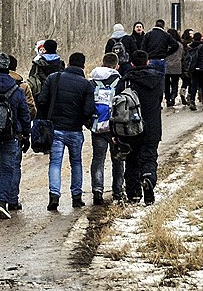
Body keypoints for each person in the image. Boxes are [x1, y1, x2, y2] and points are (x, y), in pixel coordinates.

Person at [37, 52, 95, 210]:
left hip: (55, 129)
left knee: (55, 163)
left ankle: (54, 196)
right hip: (75, 130)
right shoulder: (86, 85)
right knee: (76, 163)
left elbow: (42, 100)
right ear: (83, 66)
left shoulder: (53, 78)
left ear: (68, 63)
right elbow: (88, 110)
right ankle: (76, 197)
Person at [0, 53, 31, 219]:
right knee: (8, 169)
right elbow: (25, 114)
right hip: (11, 135)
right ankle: (2, 202)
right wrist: (26, 134)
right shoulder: (16, 90)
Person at [115, 50, 163, 205]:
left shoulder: (125, 81)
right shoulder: (158, 79)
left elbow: (117, 105)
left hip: (131, 127)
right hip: (153, 127)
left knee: (132, 159)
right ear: (148, 62)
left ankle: (133, 194)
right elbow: (159, 98)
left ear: (132, 63)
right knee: (149, 157)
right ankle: (148, 182)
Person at [88, 53, 125, 205]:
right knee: (118, 159)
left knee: (98, 159)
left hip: (97, 126)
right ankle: (118, 191)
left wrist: (89, 122)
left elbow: (88, 104)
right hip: (116, 127)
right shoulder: (120, 82)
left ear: (102, 64)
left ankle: (97, 191)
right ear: (117, 66)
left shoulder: (92, 82)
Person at [8, 54, 36, 211]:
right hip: (16, 133)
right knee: (14, 166)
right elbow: (30, 110)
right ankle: (12, 200)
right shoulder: (22, 86)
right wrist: (26, 132)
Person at [164, 29, 184, 107]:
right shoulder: (180, 45)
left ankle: (167, 98)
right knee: (175, 83)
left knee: (166, 84)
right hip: (177, 66)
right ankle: (173, 97)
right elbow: (182, 55)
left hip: (166, 66)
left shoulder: (166, 45)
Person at [180, 29, 195, 105]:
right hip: (190, 65)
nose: (192, 35)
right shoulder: (192, 44)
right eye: (191, 33)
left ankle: (182, 92)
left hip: (182, 66)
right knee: (191, 82)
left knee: (185, 81)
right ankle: (189, 96)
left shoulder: (181, 43)